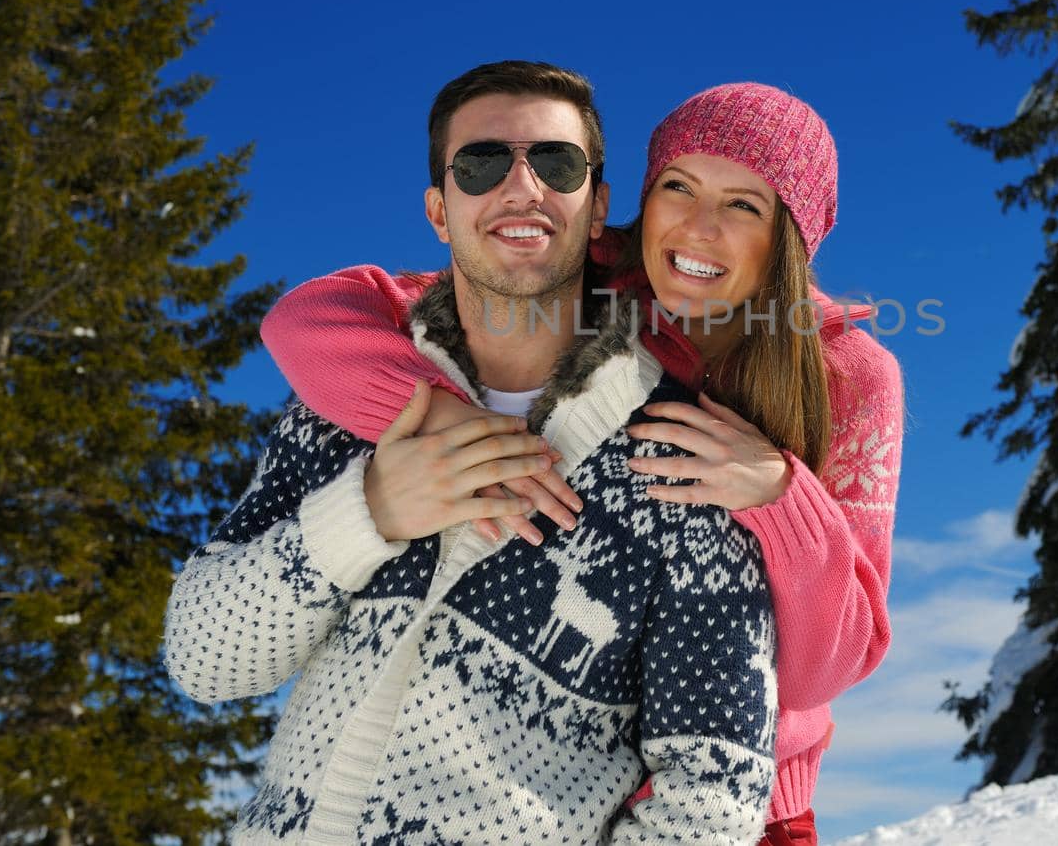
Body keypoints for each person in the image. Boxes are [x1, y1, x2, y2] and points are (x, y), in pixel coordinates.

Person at [262, 80, 904, 846]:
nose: (699, 229)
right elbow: (311, 318)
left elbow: (827, 667)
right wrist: (434, 412)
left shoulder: (845, 376)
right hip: (540, 790)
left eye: (744, 205)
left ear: (790, 237)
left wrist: (777, 493)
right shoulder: (589, 281)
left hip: (736, 807)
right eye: (678, 187)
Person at [163, 61, 778, 845]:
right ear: (439, 211)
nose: (521, 187)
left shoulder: (687, 461)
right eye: (482, 163)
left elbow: (715, 797)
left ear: (599, 211)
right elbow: (204, 659)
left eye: (556, 164)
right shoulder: (345, 411)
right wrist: (369, 510)